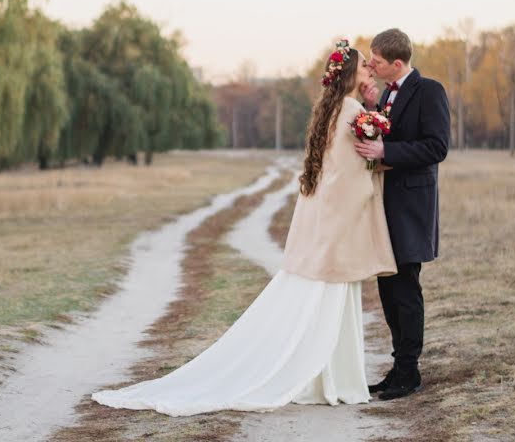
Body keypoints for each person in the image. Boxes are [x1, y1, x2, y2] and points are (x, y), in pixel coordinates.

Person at [91, 40, 397, 416]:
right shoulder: (352, 112)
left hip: (325, 223)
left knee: (323, 304)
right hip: (337, 228)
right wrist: (379, 164)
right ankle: (333, 381)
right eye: (365, 67)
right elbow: (353, 173)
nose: (370, 72)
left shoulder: (336, 110)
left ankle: (323, 379)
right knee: (330, 302)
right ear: (351, 74)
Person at [353, 28, 450, 401]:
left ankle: (409, 372)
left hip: (411, 207)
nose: (371, 63)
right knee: (387, 288)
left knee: (406, 289)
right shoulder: (386, 93)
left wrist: (385, 154)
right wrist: (373, 109)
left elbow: (436, 147)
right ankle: (397, 369)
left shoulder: (429, 91)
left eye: (376, 59)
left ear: (397, 63)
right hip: (383, 205)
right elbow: (385, 135)